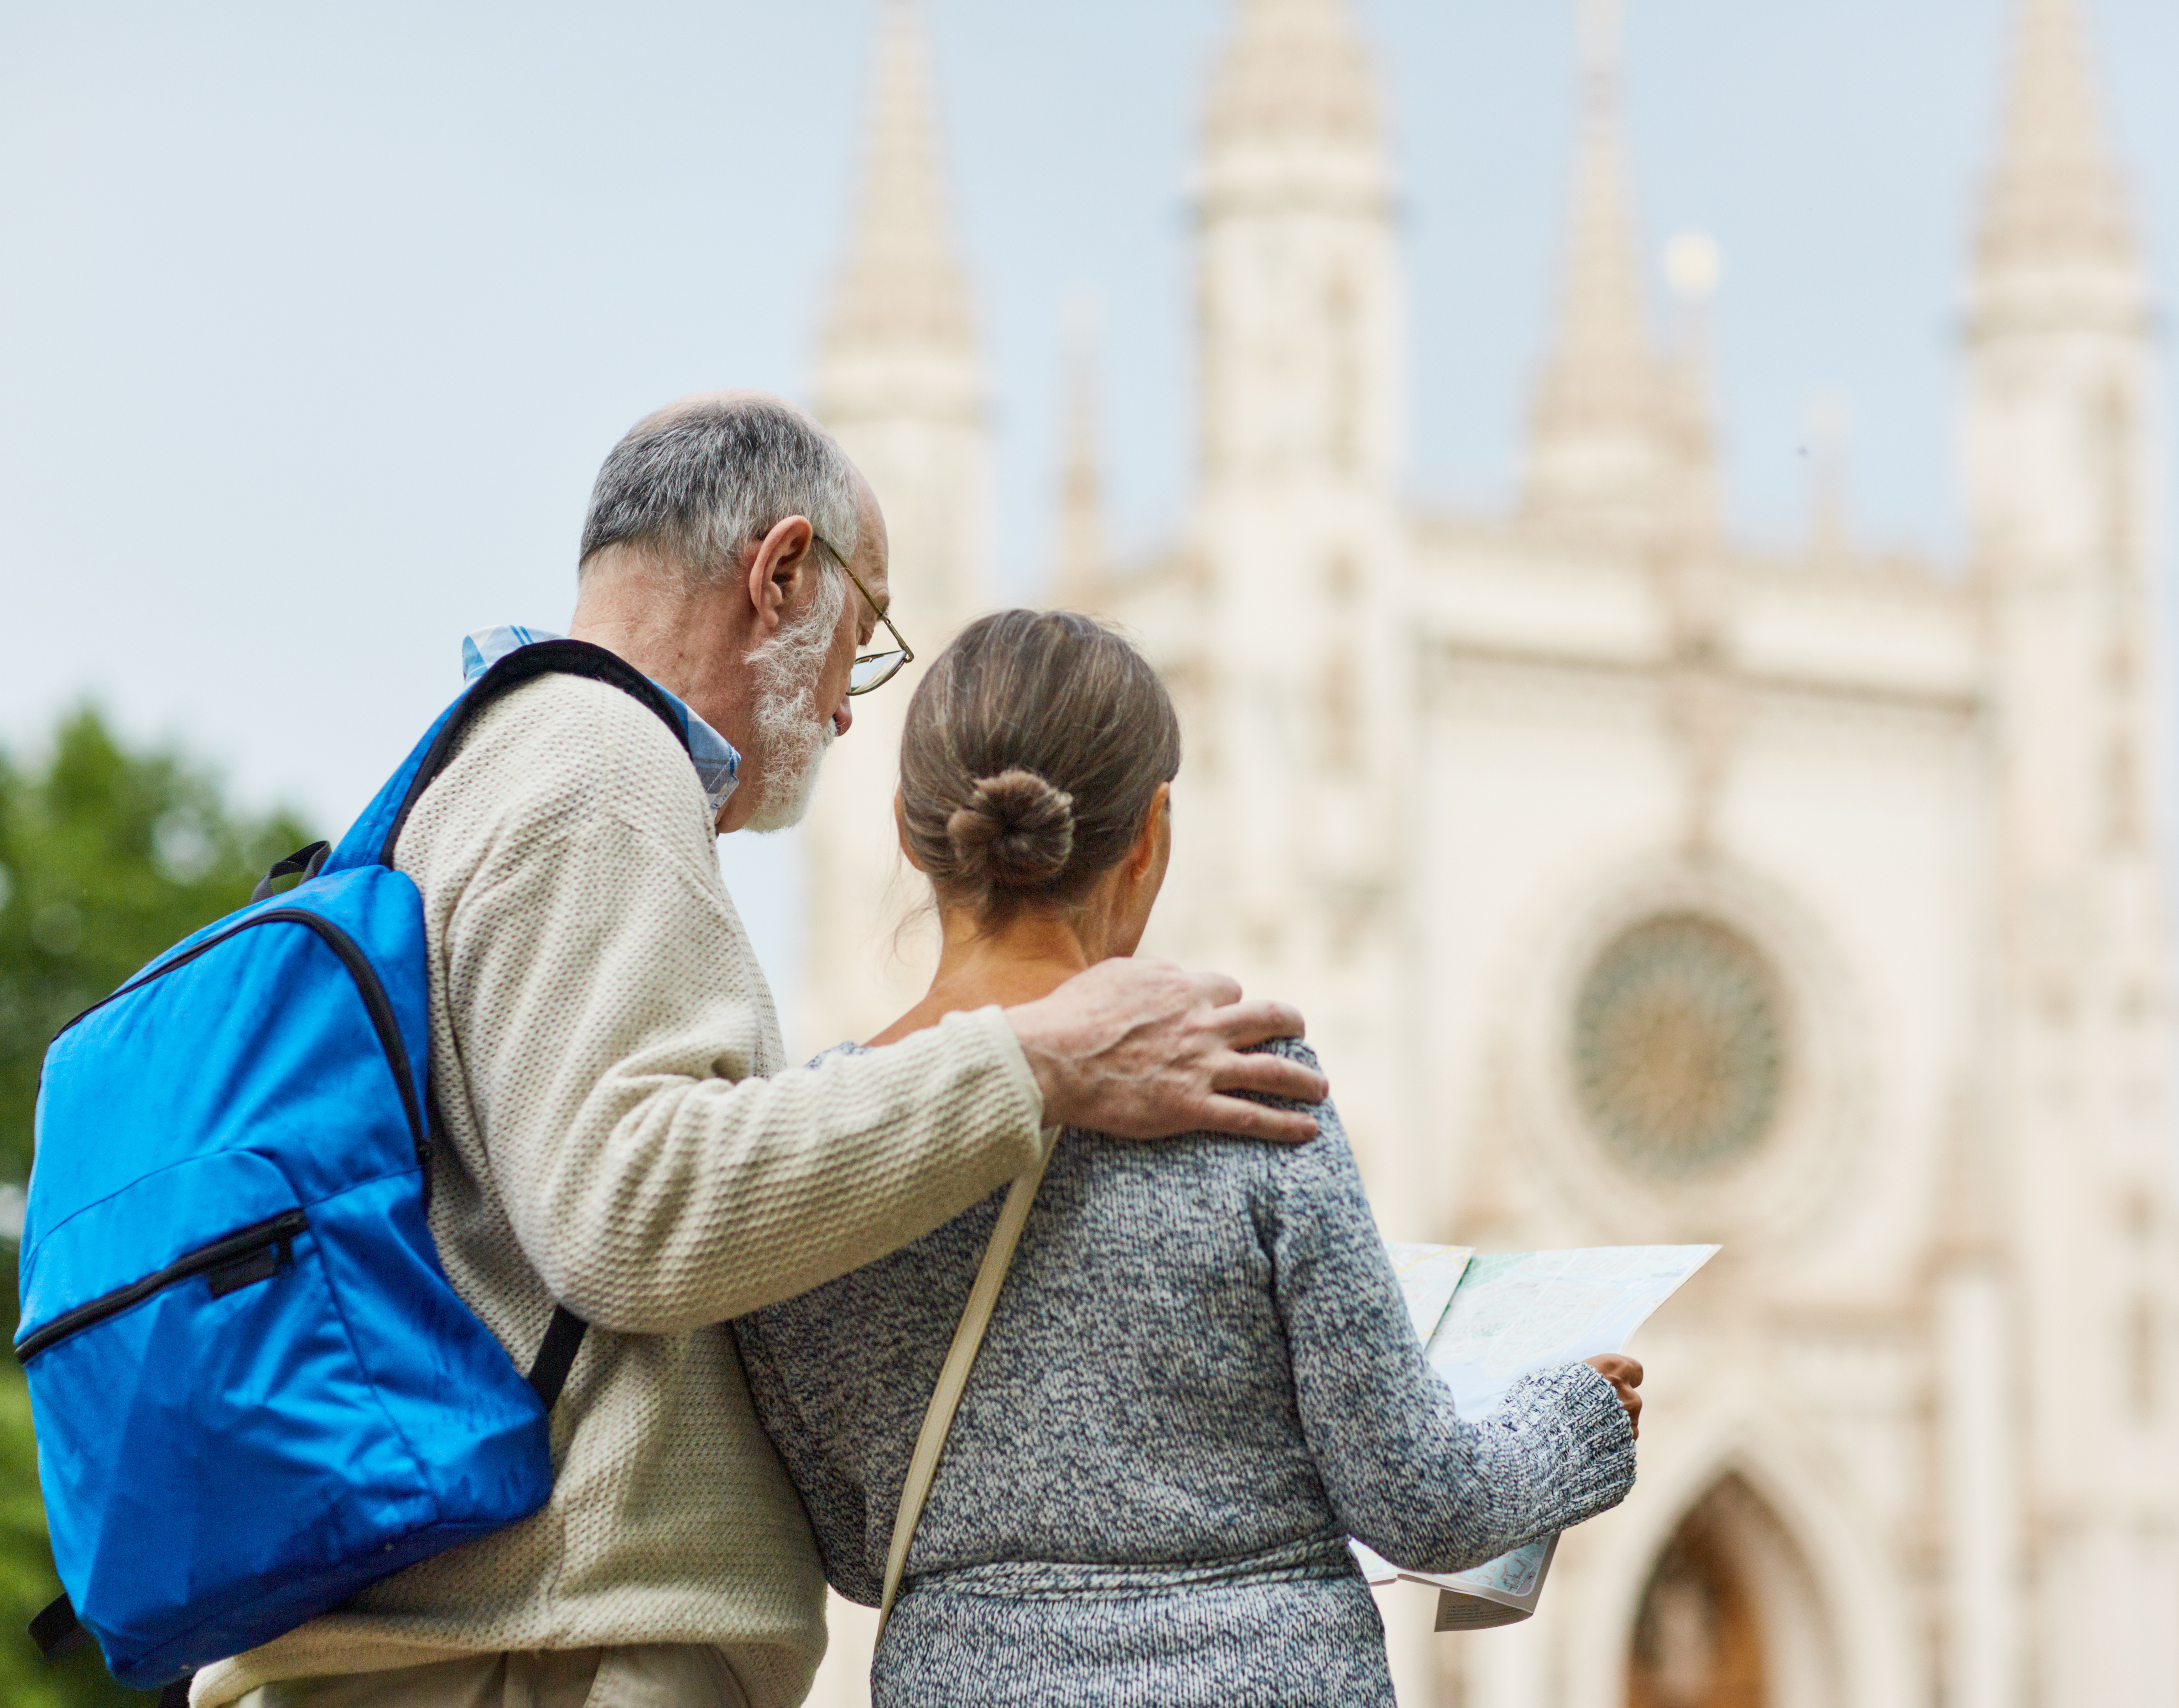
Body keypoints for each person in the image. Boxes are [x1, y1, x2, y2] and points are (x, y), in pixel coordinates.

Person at [200, 395, 1326, 1708]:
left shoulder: (497, 757)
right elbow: (627, 1209)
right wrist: (1033, 1064)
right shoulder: (604, 765)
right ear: (782, 572)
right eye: (863, 635)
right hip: (547, 1664)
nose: (850, 713)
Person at [733, 609, 1646, 1708]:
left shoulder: (808, 1144)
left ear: (906, 826)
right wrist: (1576, 1421)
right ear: (1151, 834)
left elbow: (852, 1545)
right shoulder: (1248, 1087)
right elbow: (1425, 1503)